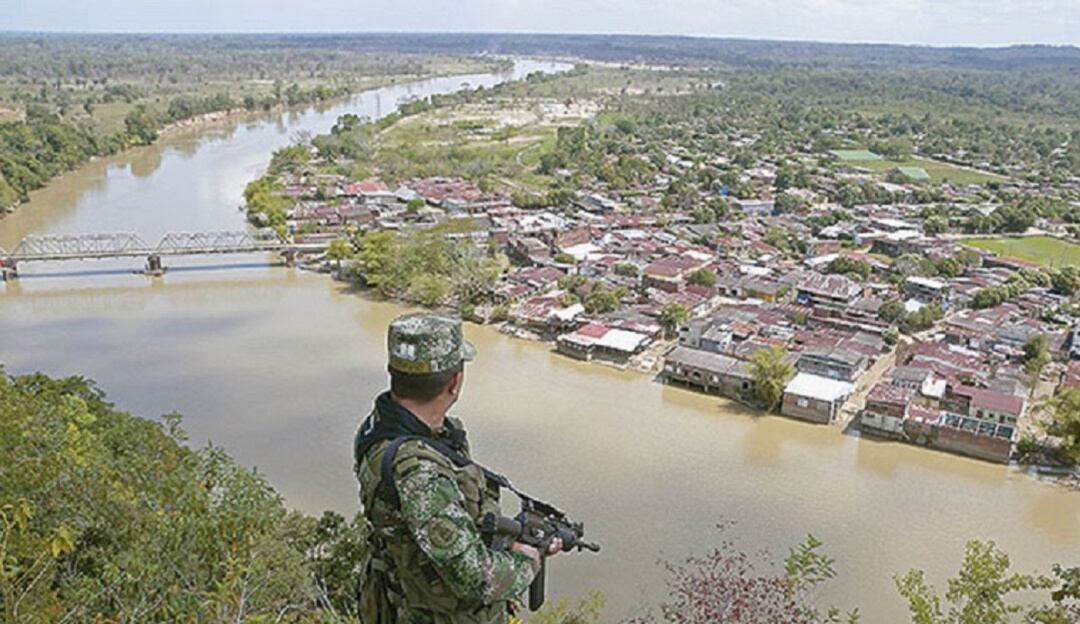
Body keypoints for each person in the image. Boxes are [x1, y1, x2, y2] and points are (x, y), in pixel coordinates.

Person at [354, 313, 557, 623]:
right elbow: (477, 579)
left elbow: (425, 527)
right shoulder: (421, 473)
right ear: (454, 382)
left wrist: (507, 537)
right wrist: (526, 558)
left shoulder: (379, 426)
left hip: (398, 595)